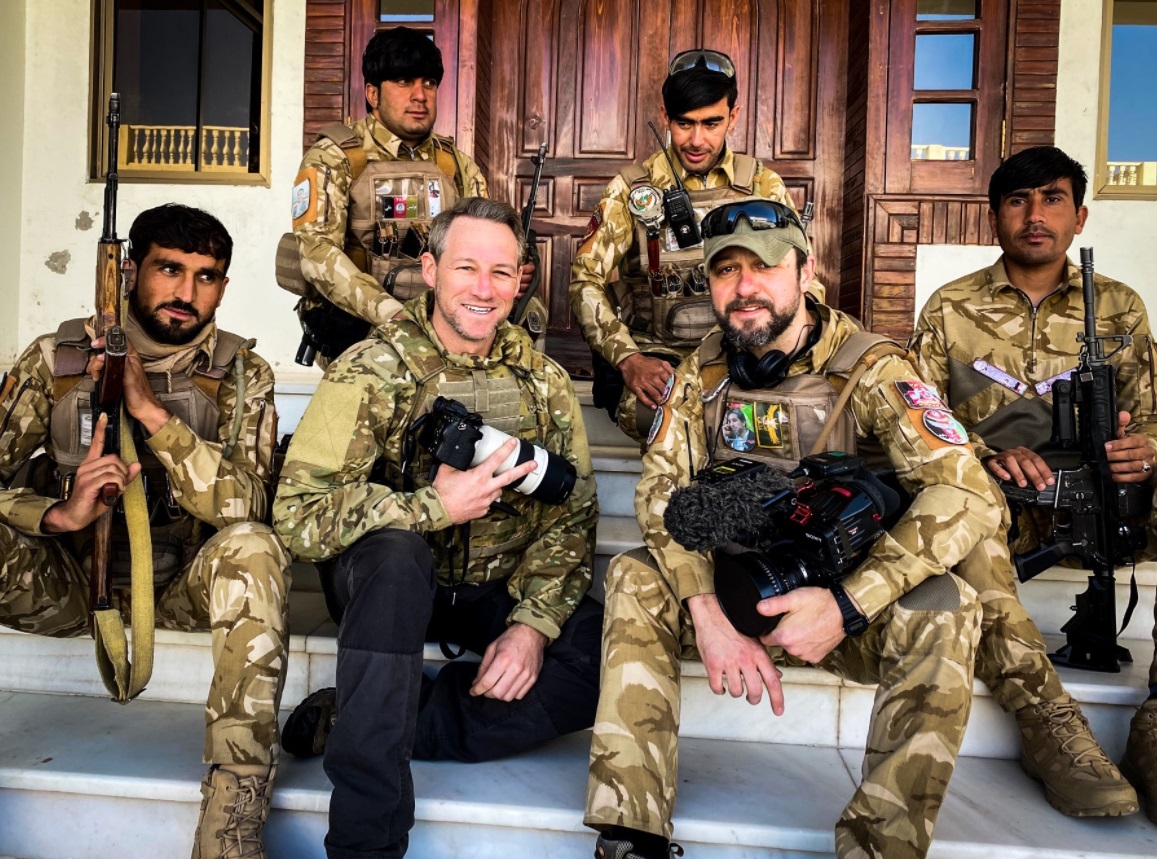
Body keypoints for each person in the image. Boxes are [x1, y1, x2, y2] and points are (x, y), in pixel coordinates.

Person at [584, 197, 1137, 859]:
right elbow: (658, 492)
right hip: (733, 589)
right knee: (632, 574)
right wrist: (705, 612)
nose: (744, 287)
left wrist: (847, 605)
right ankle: (630, 829)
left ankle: (880, 845)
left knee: (947, 606)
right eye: (725, 271)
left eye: (761, 267)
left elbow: (965, 491)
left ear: (805, 269)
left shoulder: (871, 367)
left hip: (840, 603)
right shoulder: (699, 371)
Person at [273, 197, 601, 858]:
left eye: (501, 273)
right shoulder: (370, 369)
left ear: (520, 281)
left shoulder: (543, 381)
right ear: (429, 269)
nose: (484, 289)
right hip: (389, 583)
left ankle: (378, 716)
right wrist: (429, 508)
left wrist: (531, 626)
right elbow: (296, 515)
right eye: (466, 268)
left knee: (600, 650)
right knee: (396, 559)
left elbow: (573, 517)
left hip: (491, 586)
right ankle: (367, 842)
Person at [0, 204, 291, 858]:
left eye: (207, 276)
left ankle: (229, 829)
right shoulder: (58, 360)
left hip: (183, 591)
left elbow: (247, 503)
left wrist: (149, 410)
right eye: (169, 269)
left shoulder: (244, 375)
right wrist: (55, 514)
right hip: (69, 584)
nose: (187, 293)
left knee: (255, 547)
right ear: (130, 269)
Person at [911, 145, 1157, 823]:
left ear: (1078, 216)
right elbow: (914, 422)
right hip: (1004, 508)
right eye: (1017, 200)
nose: (1034, 215)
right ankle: (1047, 720)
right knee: (950, 512)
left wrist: (1148, 447)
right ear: (993, 217)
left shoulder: (1120, 308)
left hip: (1107, 502)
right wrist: (986, 452)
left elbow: (1152, 411)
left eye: (1051, 199)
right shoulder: (949, 307)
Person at [568, 48, 821, 441]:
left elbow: (803, 281)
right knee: (662, 423)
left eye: (712, 123)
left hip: (747, 355)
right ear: (666, 117)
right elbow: (585, 281)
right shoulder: (633, 189)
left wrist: (794, 354)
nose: (697, 140)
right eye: (684, 124)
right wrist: (628, 358)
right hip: (662, 359)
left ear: (733, 116)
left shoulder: (761, 185)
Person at [284, 27, 545, 366]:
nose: (420, 95)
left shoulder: (454, 164)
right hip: (364, 328)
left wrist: (512, 267)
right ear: (373, 94)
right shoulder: (336, 157)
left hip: (445, 328)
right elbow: (317, 253)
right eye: (404, 82)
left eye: (429, 83)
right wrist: (393, 316)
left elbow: (488, 238)